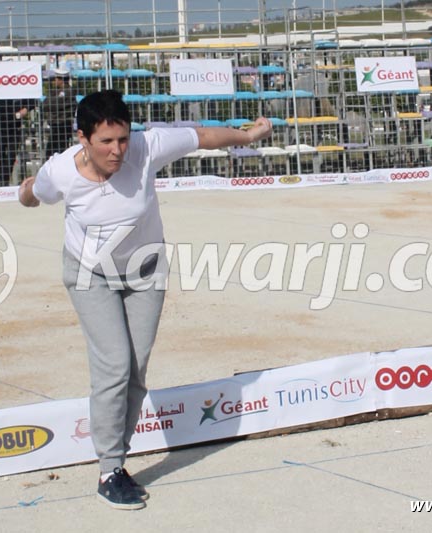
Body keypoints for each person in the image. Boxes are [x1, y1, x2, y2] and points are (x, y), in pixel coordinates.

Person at [19, 89, 272, 511]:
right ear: (82, 138)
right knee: (114, 364)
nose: (117, 150)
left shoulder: (146, 146)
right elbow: (34, 194)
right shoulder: (60, 171)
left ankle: (117, 463)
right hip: (90, 274)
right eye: (106, 142)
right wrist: (25, 191)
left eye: (122, 139)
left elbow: (202, 137)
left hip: (145, 272)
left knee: (135, 370)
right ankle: (109, 470)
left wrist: (247, 136)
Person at [0, 98, 34, 187]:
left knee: (11, 155)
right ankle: (3, 181)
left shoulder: (18, 95)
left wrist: (26, 109)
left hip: (14, 129)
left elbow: (32, 101)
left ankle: (5, 179)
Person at [42, 70, 76, 160]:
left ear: (61, 80)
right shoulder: (55, 91)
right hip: (55, 124)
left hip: (62, 125)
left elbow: (54, 104)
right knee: (51, 153)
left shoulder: (68, 92)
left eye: (56, 79)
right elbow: (45, 104)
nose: (55, 81)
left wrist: (53, 106)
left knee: (59, 152)